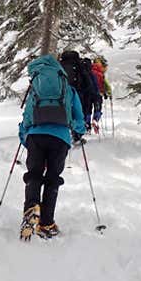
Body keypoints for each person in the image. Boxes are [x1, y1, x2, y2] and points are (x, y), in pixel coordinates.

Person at [18, 54, 87, 241]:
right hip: (60, 138)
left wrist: (24, 135)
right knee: (52, 179)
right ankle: (46, 223)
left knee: (34, 174)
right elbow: (79, 118)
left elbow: (28, 115)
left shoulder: (36, 88)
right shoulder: (68, 89)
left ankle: (31, 207)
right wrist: (78, 132)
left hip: (36, 136)